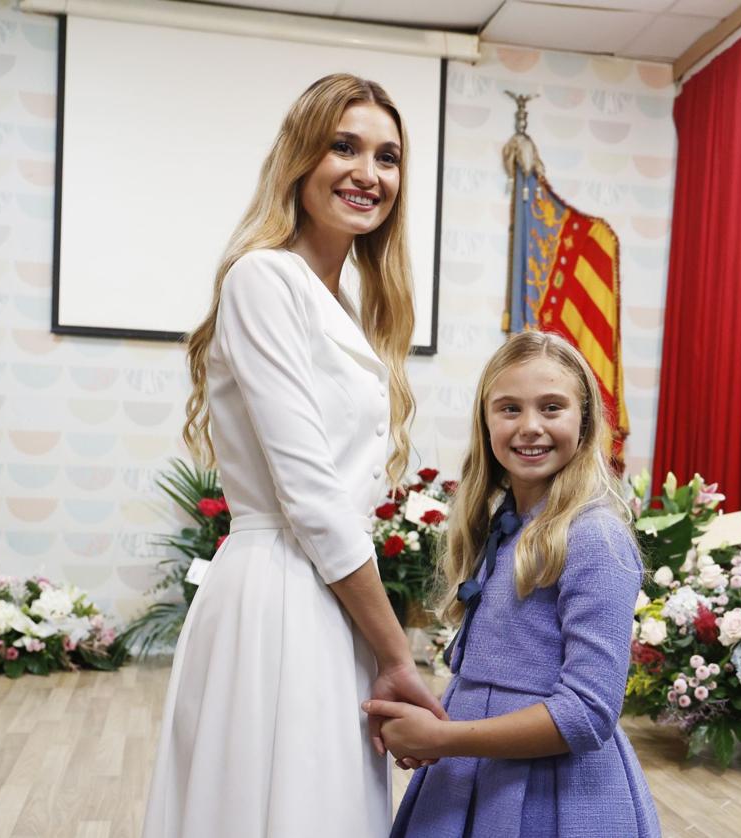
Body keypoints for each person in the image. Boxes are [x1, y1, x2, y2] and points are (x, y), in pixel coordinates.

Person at [142, 73, 444, 838]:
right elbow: (311, 499)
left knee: (323, 803)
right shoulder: (264, 278)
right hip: (280, 591)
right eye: (344, 146)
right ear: (301, 160)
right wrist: (398, 653)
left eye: (387, 156)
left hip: (329, 596)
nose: (368, 174)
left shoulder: (338, 300)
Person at [364, 330, 662, 838]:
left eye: (552, 408)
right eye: (509, 409)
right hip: (468, 779)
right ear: (485, 420)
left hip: (552, 794)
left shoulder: (593, 536)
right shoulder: (502, 523)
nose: (530, 427)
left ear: (584, 420)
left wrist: (446, 738)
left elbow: (589, 712)